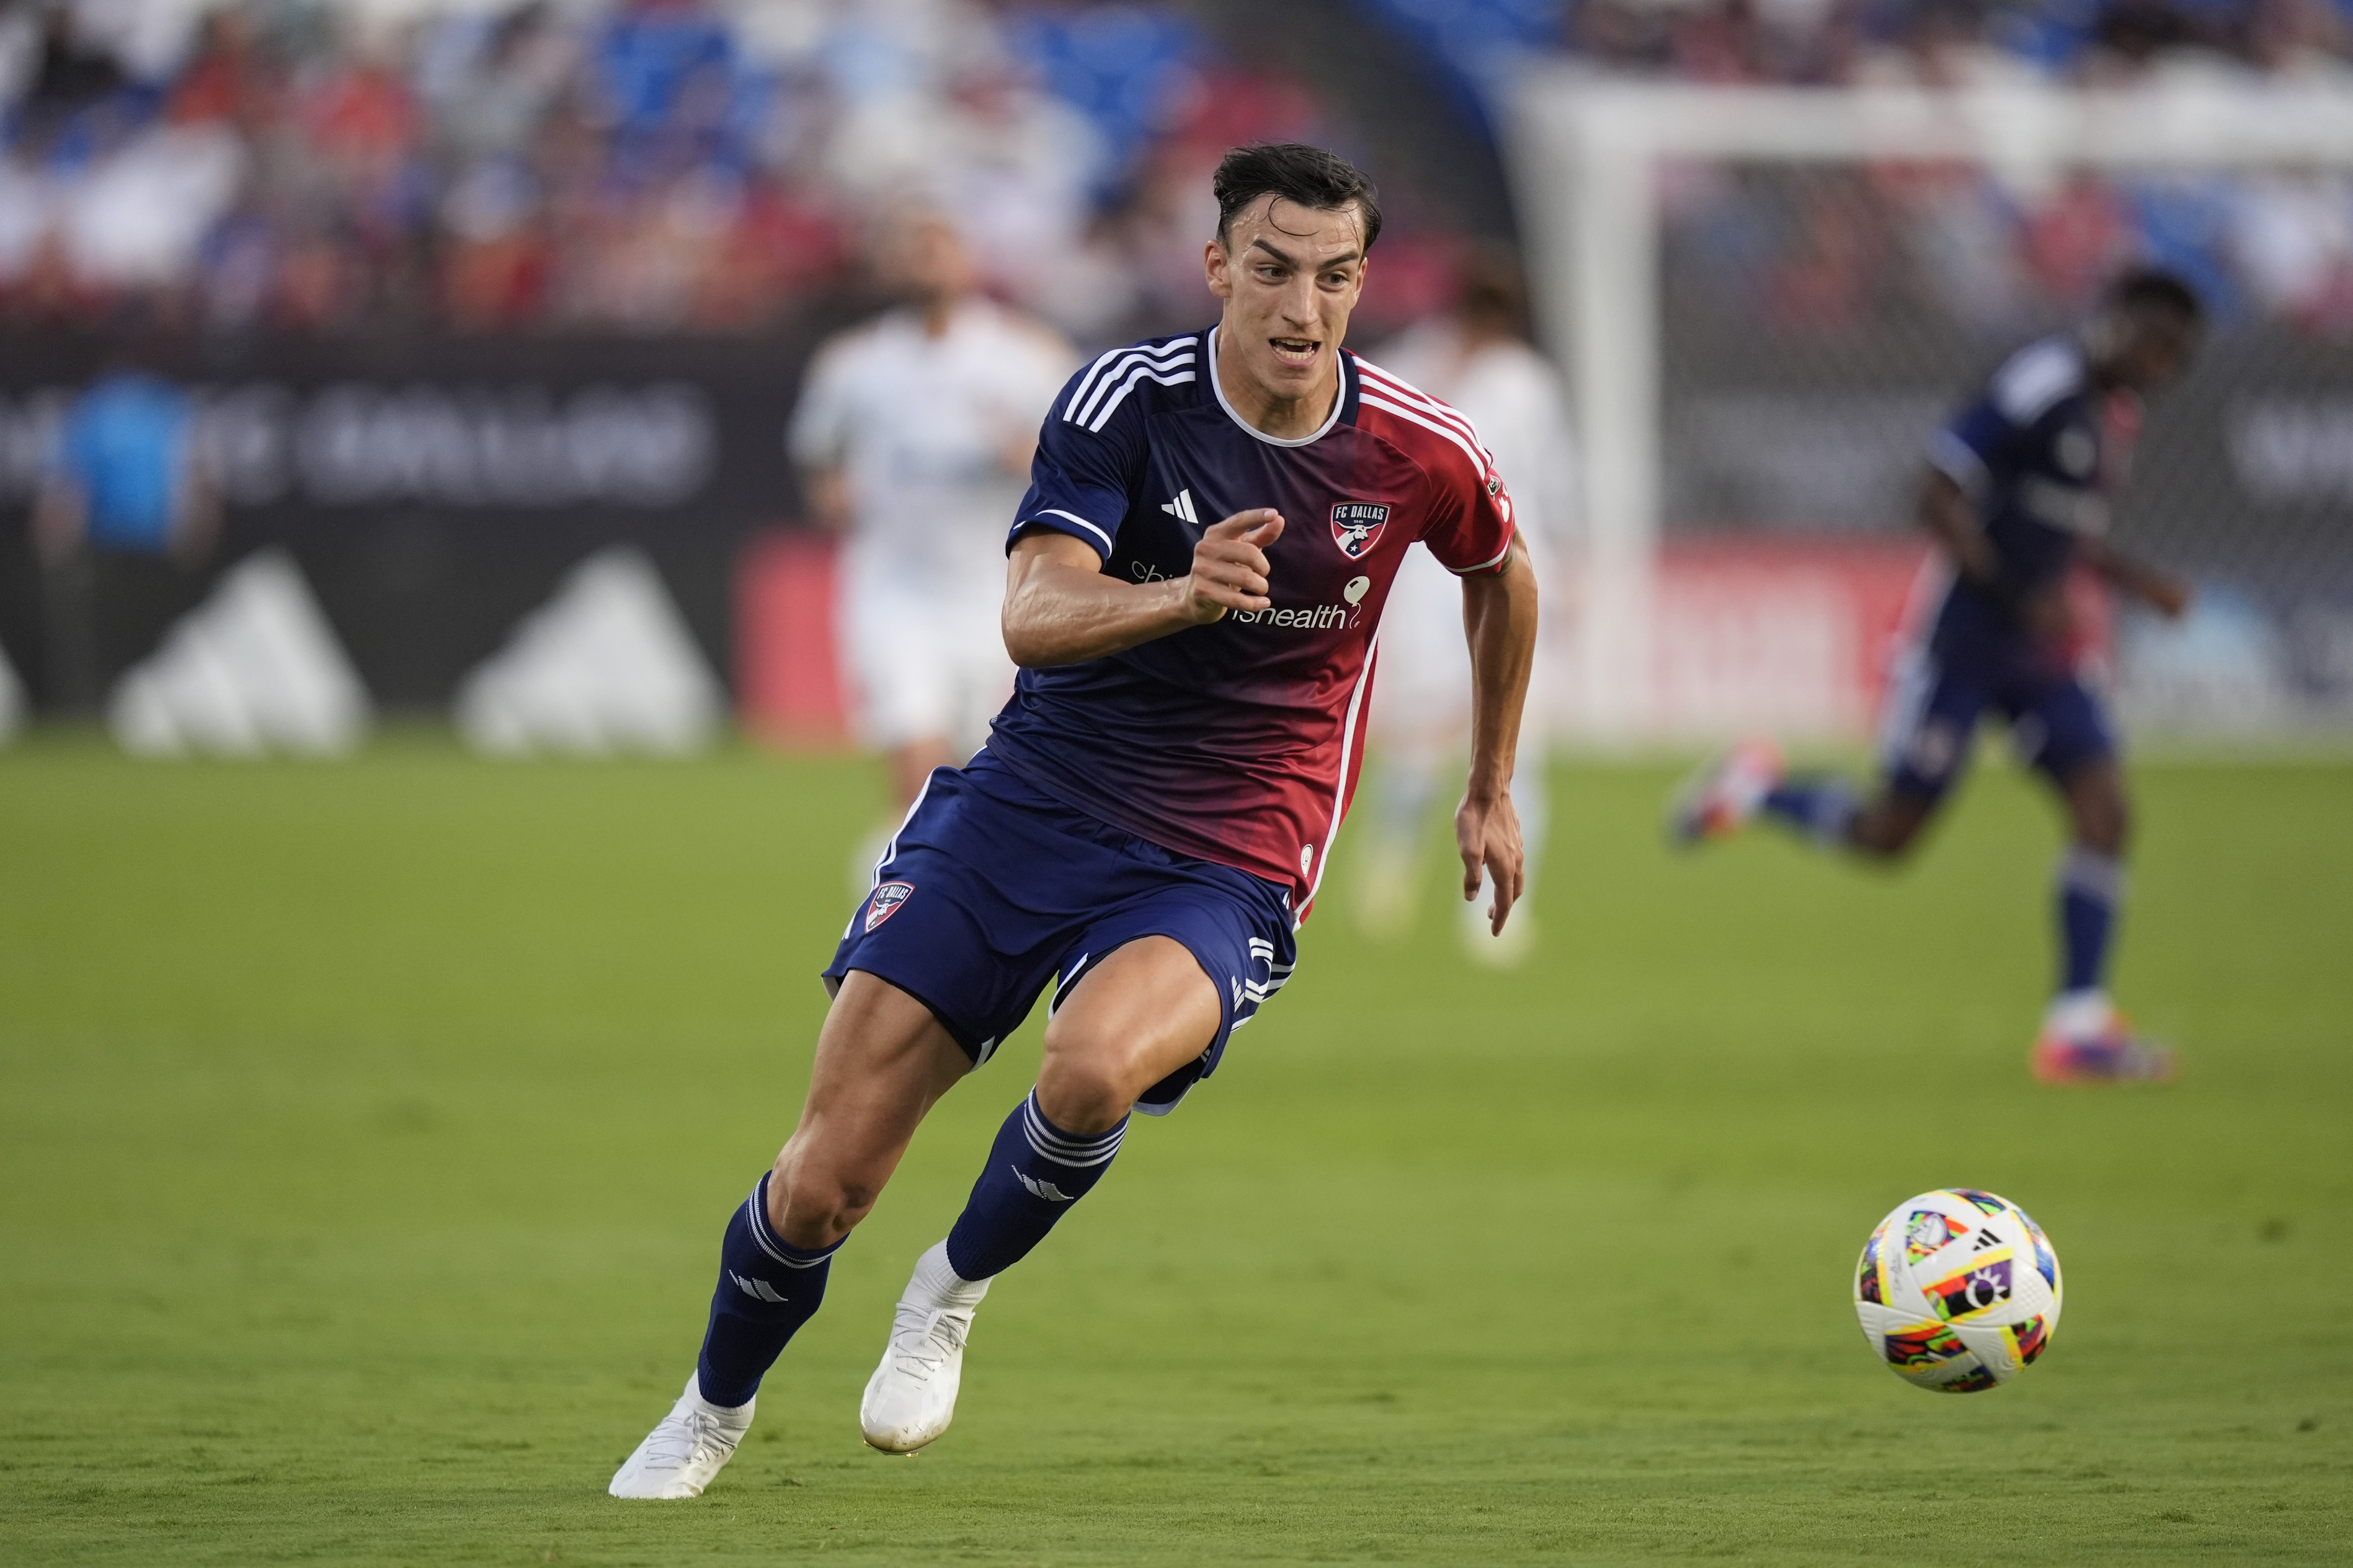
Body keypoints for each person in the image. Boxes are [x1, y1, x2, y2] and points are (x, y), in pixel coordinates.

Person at [610, 142, 1537, 1498]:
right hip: (1031, 804)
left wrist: (1489, 782)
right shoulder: (1124, 400)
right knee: (822, 1182)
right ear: (1218, 266)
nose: (1302, 307)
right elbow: (1032, 615)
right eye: (1272, 269)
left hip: (1234, 846)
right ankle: (711, 1404)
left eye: (1335, 278)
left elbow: (1500, 576)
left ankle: (948, 1290)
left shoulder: (1417, 445)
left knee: (1093, 1065)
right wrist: (1179, 595)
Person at [1668, 267, 2204, 1084]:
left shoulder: (2113, 418)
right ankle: (1752, 792)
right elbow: (1936, 489)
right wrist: (2016, 594)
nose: (2156, 363)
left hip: (2041, 653)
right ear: (2113, 323)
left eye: (2172, 356)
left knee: (2103, 808)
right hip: (1961, 639)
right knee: (1890, 836)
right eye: (2150, 341)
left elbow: (2061, 534)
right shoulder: (2042, 381)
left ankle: (2076, 1026)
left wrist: (2135, 581)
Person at [788, 211, 1075, 855]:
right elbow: (818, 456)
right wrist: (833, 495)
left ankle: (955, 907)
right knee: (916, 770)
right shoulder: (854, 364)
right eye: (911, 249)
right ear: (890, 266)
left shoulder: (1027, 356)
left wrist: (1027, 456)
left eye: (938, 247)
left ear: (969, 259)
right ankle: (899, 918)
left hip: (998, 595)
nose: (926, 262)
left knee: (996, 775)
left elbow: (1088, 459)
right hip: (893, 587)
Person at [1354, 260, 1577, 965]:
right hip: (1427, 575)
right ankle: (1392, 858)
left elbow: (1550, 486)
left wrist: (1567, 572)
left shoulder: (1524, 383)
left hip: (1508, 566)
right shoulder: (1415, 366)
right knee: (1426, 735)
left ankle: (1499, 908)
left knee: (1514, 742)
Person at [34, 357, 220, 712]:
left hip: (136, 546)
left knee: (121, 635)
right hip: (129, 545)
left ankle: (122, 704)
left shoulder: (98, 408)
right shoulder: (158, 406)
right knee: (126, 635)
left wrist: (55, 539)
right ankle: (118, 705)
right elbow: (72, 484)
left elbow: (70, 484)